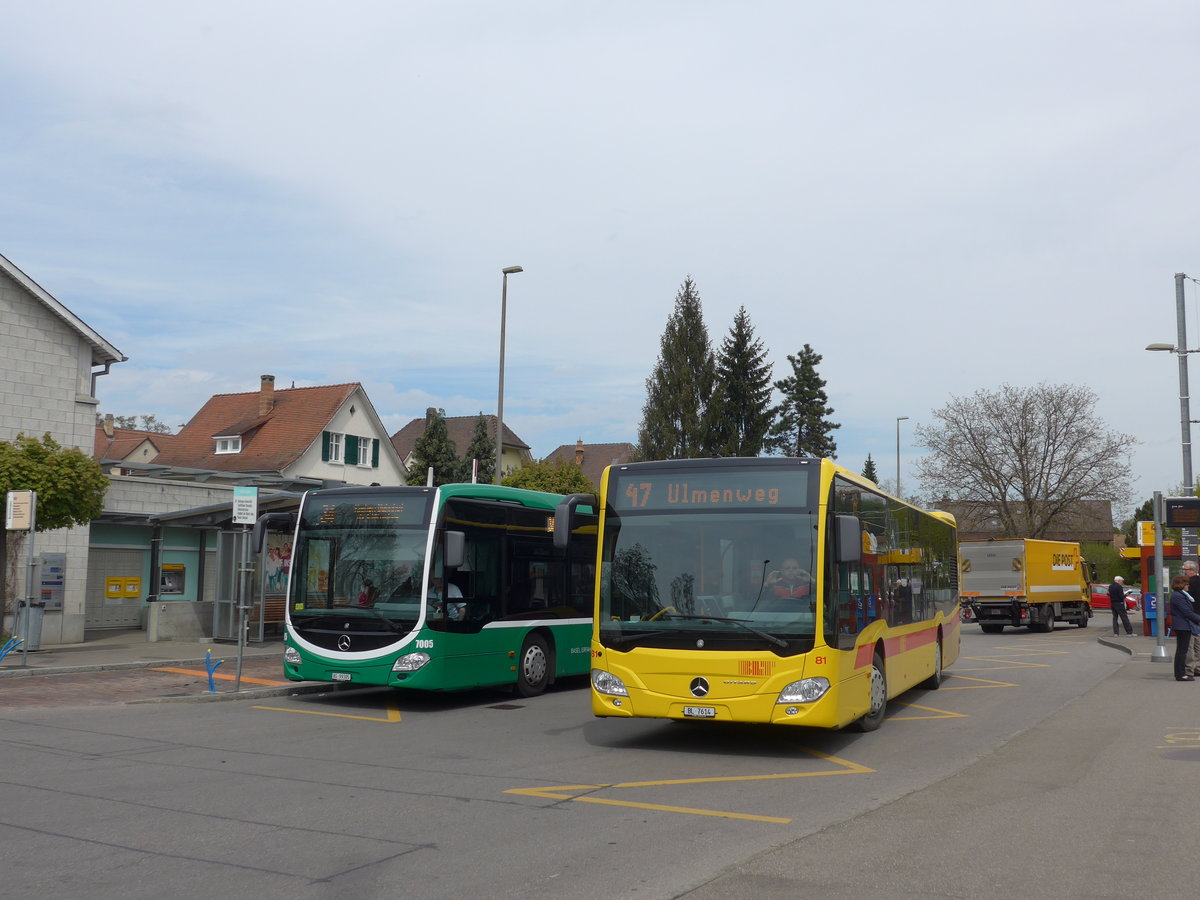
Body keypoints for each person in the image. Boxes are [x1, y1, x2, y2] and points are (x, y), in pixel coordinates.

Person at [1168, 574, 1200, 681]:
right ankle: (1180, 674)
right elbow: (1186, 612)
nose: (1188, 586)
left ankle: (1181, 673)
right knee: (1182, 651)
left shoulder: (1181, 595)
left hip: (1184, 625)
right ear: (1181, 584)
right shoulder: (1178, 596)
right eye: (1186, 584)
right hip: (1182, 626)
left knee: (1183, 650)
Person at [1183, 561, 1200, 676]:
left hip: (1192, 616)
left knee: (1190, 645)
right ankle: (1198, 667)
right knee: (1198, 644)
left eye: (1186, 569)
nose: (1184, 571)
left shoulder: (1189, 583)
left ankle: (1190, 669)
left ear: (1193, 570)